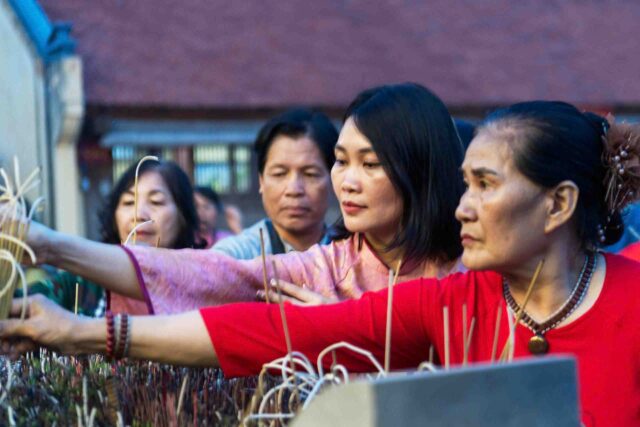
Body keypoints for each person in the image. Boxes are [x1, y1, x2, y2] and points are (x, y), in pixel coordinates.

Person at [2, 101, 638, 427]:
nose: (463, 206)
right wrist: (81, 329)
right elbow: (265, 326)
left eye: (485, 185)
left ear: (558, 204)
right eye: (463, 183)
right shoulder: (450, 304)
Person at [17, 83, 465, 314]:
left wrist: (346, 325)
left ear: (421, 170)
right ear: (259, 181)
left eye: (369, 164)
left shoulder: (475, 269)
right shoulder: (317, 267)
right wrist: (47, 244)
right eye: (342, 162)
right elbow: (201, 275)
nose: (347, 181)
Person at [21, 160, 204, 316]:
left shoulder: (200, 288)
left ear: (184, 216)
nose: (138, 215)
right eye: (128, 202)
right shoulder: (81, 284)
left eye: (156, 202)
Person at [211, 108, 337, 259]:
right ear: (261, 181)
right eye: (279, 174)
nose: (293, 190)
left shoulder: (352, 255)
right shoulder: (237, 256)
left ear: (333, 180)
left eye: (310, 174)